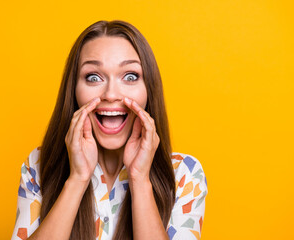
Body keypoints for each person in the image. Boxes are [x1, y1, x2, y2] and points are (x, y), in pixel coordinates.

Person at [11, 20, 208, 240]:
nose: (111, 94)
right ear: (73, 91)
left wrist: (140, 180)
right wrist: (77, 179)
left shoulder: (184, 174)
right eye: (93, 77)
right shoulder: (39, 166)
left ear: (148, 90)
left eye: (130, 76)